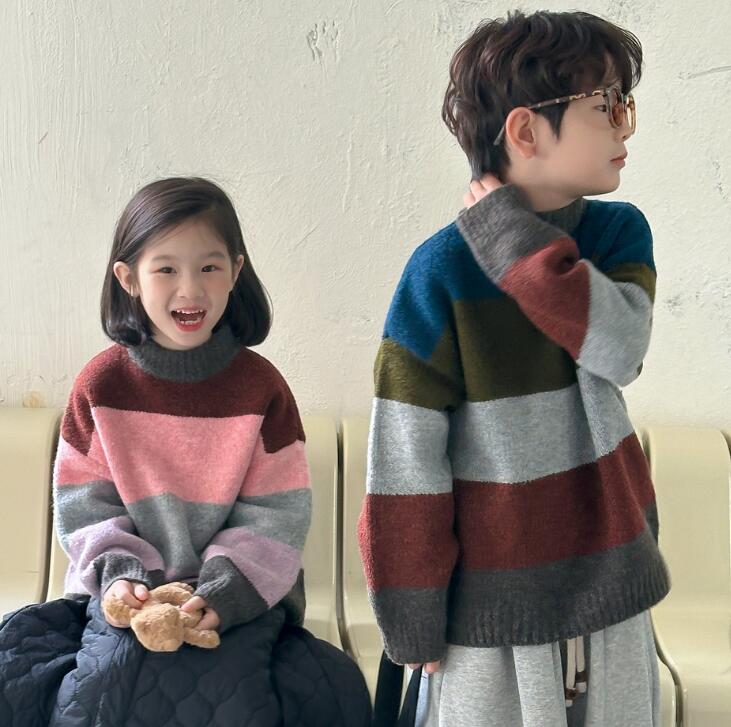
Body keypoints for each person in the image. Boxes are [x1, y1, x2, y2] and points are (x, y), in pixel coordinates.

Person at [358, 10, 670, 726]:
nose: (624, 125)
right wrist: (412, 613)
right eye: (605, 104)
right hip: (490, 603)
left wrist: (512, 244)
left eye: (624, 102)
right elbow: (405, 455)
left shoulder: (617, 234)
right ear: (525, 131)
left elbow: (620, 348)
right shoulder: (439, 271)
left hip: (613, 578)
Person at [54, 176, 311, 637]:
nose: (190, 290)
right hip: (120, 597)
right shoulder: (100, 386)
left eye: (209, 268)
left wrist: (224, 591)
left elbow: (277, 513)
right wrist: (122, 578)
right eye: (166, 270)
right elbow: (84, 507)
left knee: (245, 681)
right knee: (102, 676)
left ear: (235, 271)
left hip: (239, 601)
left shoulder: (263, 389)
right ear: (128, 279)